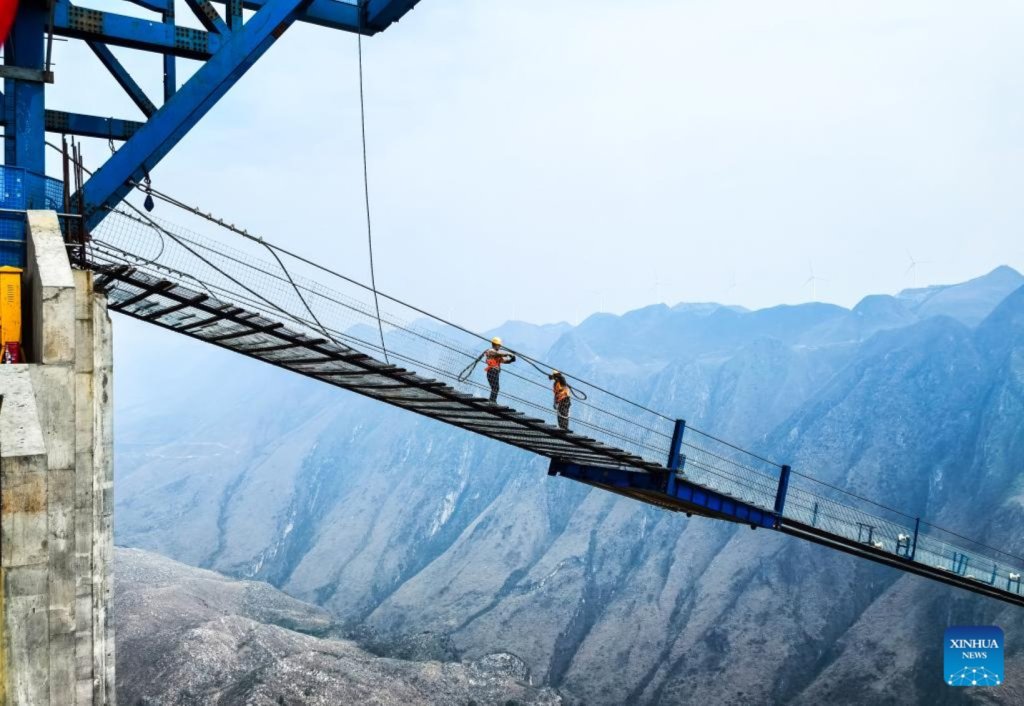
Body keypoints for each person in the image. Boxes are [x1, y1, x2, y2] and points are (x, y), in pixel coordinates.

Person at [484, 337, 515, 402]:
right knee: (495, 387)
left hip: (495, 372)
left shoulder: (497, 354)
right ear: (495, 344)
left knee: (495, 388)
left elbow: (504, 361)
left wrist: (511, 360)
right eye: (499, 345)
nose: (500, 346)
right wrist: (508, 354)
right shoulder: (490, 351)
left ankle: (492, 400)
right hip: (492, 371)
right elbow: (497, 354)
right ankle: (492, 401)